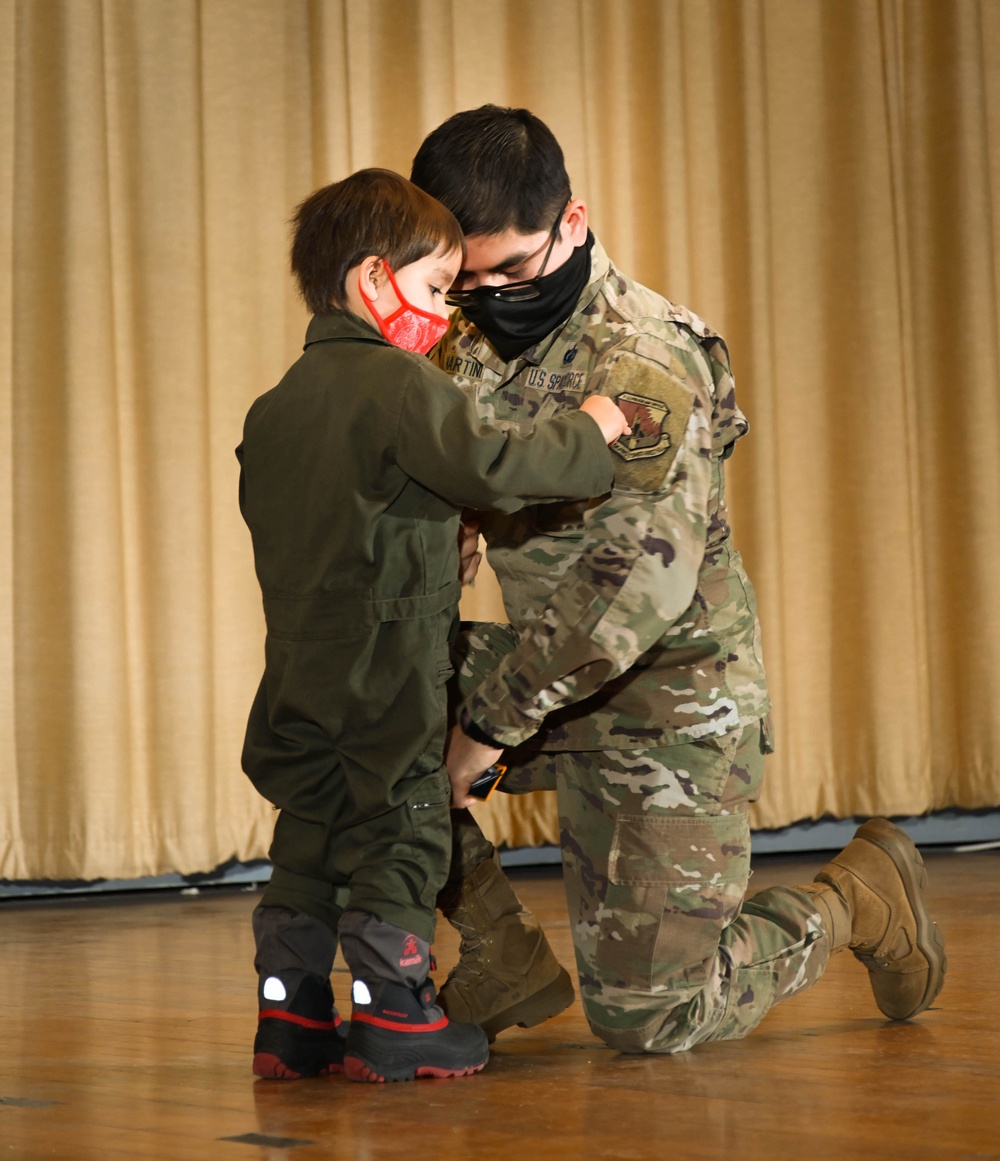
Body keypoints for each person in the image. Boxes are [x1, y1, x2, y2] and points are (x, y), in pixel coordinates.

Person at [410, 107, 947, 1053]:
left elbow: (633, 589)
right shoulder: (463, 343)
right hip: (549, 674)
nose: (489, 296)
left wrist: (480, 727)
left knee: (650, 1017)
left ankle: (858, 897)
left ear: (572, 223)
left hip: (669, 699)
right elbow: (451, 504)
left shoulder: (645, 357)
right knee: (352, 694)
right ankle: (500, 949)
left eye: (513, 268)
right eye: (467, 279)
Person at [236, 168, 628, 1082]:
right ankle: (396, 1013)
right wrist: (592, 428)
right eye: (435, 290)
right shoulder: (401, 385)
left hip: (296, 658)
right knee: (399, 821)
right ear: (374, 279)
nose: (447, 316)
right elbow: (493, 467)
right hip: (388, 655)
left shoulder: (276, 406)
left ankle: (288, 1015)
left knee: (310, 825)